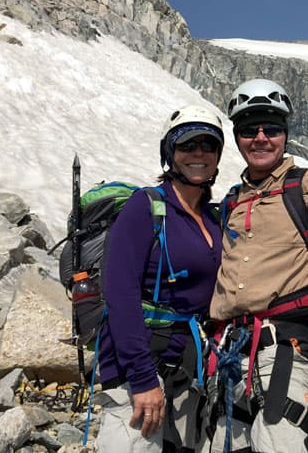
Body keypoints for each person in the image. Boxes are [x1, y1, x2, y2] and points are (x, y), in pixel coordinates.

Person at [208, 78, 308, 453]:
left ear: (286, 134)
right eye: (249, 129)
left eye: (272, 128)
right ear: (237, 136)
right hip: (231, 354)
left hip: (285, 346)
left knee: (280, 442)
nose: (261, 137)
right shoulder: (231, 202)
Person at [96, 105, 224, 453]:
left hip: (187, 369)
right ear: (170, 153)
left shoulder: (213, 218)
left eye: (208, 145)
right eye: (187, 145)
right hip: (142, 366)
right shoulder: (145, 207)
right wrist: (141, 378)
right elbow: (119, 294)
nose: (198, 153)